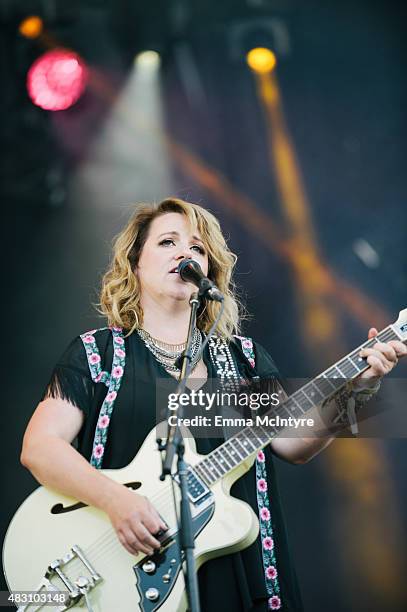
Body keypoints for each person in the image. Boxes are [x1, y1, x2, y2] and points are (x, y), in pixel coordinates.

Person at [21, 197, 406, 612]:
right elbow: (40, 448)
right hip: (127, 563)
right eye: (168, 242)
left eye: (198, 249)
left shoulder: (242, 360)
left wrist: (359, 388)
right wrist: (116, 500)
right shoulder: (99, 355)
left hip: (231, 566)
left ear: (209, 271)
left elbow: (293, 445)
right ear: (135, 263)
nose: (185, 253)